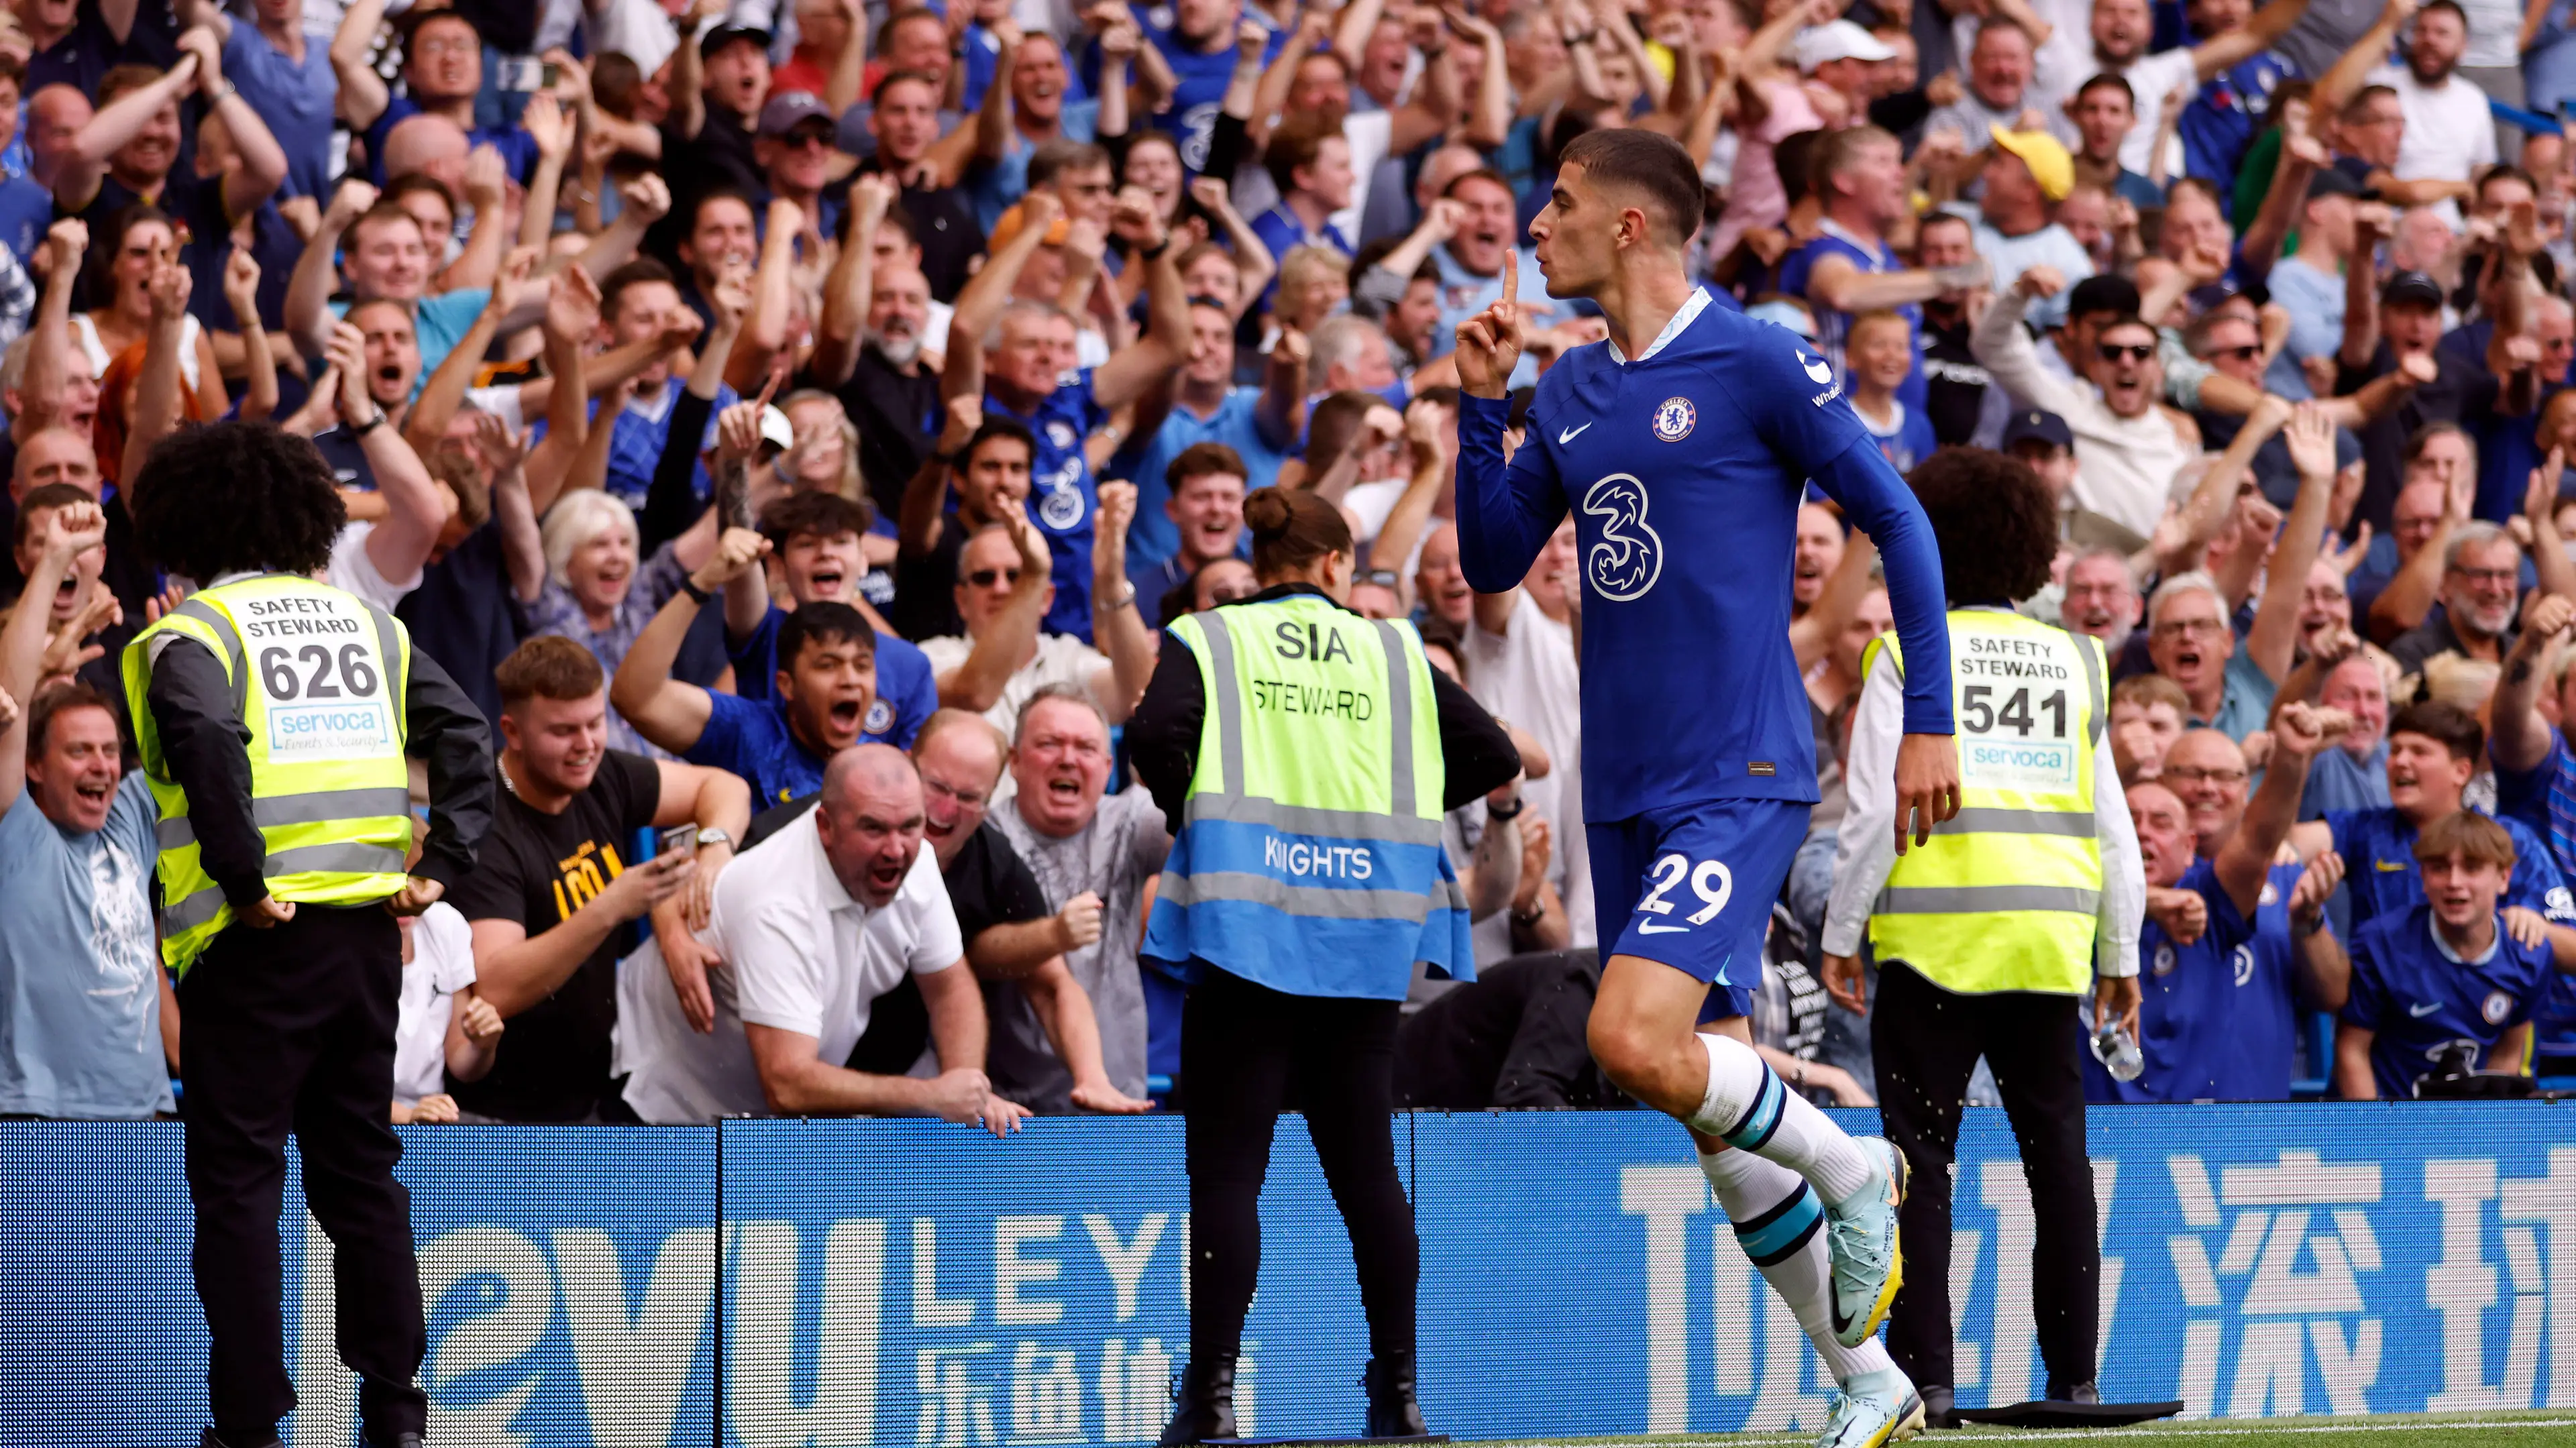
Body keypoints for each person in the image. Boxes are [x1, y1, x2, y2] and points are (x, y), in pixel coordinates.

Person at [1453, 129, 1958, 1447]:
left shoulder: (1756, 356)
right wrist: (1479, 406)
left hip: (1736, 769)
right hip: (1621, 789)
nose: (1537, 223)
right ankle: (1869, 1380)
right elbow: (1495, 558)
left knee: (1630, 1037)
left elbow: (1896, 519)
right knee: (1703, 1096)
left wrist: (1929, 723)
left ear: (1630, 225)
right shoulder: (1564, 389)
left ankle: (1859, 1169)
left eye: (1560, 204)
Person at [117, 420, 494, 1448]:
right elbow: (468, 734)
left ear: (184, 525)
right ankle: (396, 1413)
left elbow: (200, 733)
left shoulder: (189, 633)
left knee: (241, 1187)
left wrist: (242, 878)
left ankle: (248, 1423)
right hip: (370, 938)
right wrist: (440, 869)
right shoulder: (367, 625)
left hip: (254, 944)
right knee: (359, 1171)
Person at [1128, 486, 1520, 1443]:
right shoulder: (1394, 648)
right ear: (1339, 562)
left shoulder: (1211, 636)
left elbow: (1150, 738)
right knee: (1369, 1176)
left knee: (1229, 1174)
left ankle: (1212, 1400)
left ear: (1263, 562)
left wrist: (1204, 812)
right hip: (1365, 934)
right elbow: (1494, 751)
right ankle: (1398, 1396)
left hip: (1248, 930)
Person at [1817, 445, 2142, 1427]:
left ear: (1927, 543)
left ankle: (1933, 1382)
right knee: (2061, 1163)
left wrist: (1841, 930)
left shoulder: (1907, 653)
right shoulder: (2078, 656)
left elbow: (1875, 814)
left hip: (1932, 950)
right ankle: (2075, 1378)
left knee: (1919, 1164)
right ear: (2039, 554)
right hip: (2047, 945)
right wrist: (2118, 954)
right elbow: (2113, 825)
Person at [619, 742, 1033, 1130]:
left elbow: (950, 987)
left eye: (910, 826)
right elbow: (787, 1084)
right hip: (664, 1103)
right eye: (874, 829)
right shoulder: (776, 901)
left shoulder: (917, 856)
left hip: (768, 1110)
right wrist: (930, 1097)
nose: (896, 850)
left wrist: (967, 1090)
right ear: (826, 826)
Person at [448, 636, 750, 1122]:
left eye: (595, 723)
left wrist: (714, 848)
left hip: (593, 1091)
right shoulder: (483, 824)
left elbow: (725, 786)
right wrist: (612, 905)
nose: (586, 745)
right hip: (500, 1113)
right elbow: (496, 986)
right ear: (513, 732)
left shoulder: (601, 774)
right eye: (564, 730)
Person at [0, 505, 172, 1120]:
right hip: (38, 1120)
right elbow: (12, 697)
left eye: (108, 750)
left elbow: (188, 741)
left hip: (147, 1114)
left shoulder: (127, 827)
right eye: (79, 751)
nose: (102, 765)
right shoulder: (16, 829)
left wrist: (183, 662)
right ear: (36, 766)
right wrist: (52, 560)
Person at [2094, 711, 2349, 1103]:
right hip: (2099, 1130)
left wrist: (2291, 760)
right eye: (2191, 774)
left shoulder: (2237, 886)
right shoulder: (2087, 885)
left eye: (2225, 777)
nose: (2208, 788)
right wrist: (2150, 901)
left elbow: (2258, 839)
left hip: (2237, 1132)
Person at [2331, 810, 2568, 1097]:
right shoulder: (2380, 945)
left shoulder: (2529, 956)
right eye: (2440, 867)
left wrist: (2486, 1134)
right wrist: (2375, 1136)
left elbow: (2507, 1055)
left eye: (2472, 867)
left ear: (2504, 877)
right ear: (2423, 877)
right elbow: (2352, 1049)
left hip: (2468, 1126)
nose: (2454, 881)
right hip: (2390, 1120)